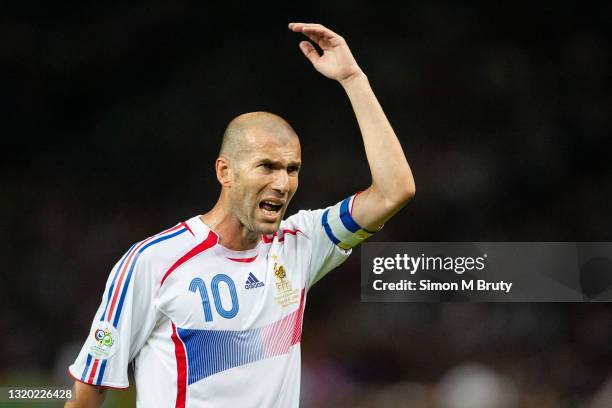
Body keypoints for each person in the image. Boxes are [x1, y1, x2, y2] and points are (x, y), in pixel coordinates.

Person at [66, 22, 415, 407]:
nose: (283, 183)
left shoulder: (299, 244)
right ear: (225, 172)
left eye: (292, 168)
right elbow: (89, 391)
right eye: (267, 166)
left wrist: (352, 78)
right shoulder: (153, 262)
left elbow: (393, 191)